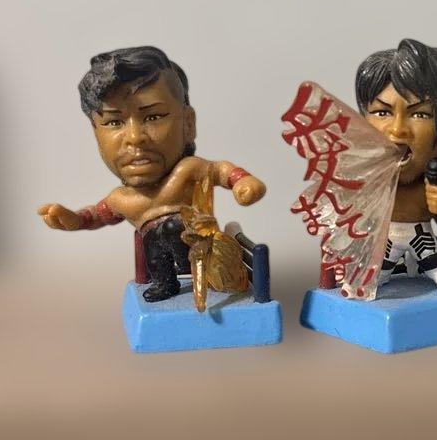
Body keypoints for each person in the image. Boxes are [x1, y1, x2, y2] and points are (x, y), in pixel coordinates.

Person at [38, 46, 266, 301]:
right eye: (114, 122)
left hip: (205, 252)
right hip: (165, 261)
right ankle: (165, 284)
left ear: (188, 124)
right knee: (154, 240)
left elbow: (221, 170)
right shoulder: (121, 200)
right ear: (96, 133)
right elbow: (96, 216)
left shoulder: (188, 171)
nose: (135, 138)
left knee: (171, 227)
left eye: (153, 117)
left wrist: (243, 182)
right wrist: (73, 219)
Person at [355, 38, 437, 294]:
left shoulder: (435, 177)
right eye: (382, 112)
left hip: (420, 233)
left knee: (432, 259)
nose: (397, 130)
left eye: (420, 114)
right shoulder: (369, 175)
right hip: (386, 239)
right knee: (378, 271)